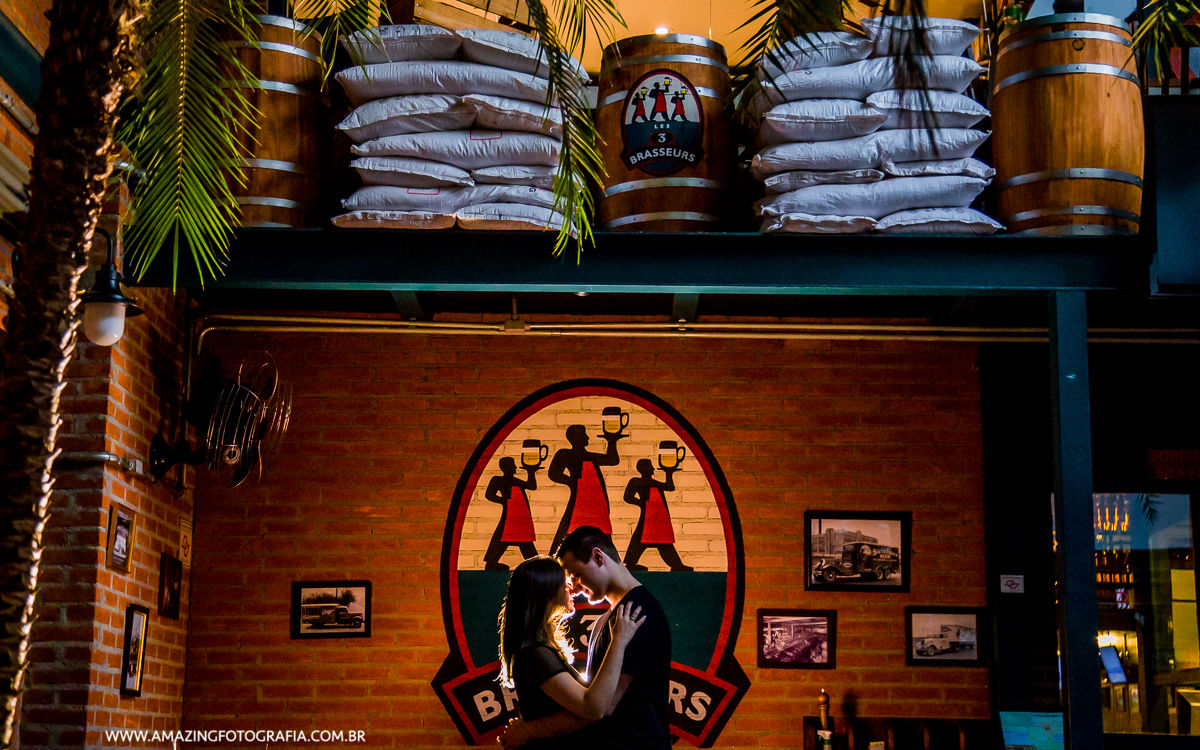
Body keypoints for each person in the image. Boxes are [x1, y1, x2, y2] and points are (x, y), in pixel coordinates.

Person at [500, 527, 672, 750]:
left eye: (576, 574)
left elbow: (603, 705)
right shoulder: (609, 620)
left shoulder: (635, 613)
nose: (574, 586)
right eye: (568, 579)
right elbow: (592, 700)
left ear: (598, 557)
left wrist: (528, 731)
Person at [622, 458, 692, 572]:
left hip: (659, 516)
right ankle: (631, 564)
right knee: (641, 539)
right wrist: (641, 503)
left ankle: (676, 565)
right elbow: (627, 497)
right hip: (649, 516)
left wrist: (669, 472)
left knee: (662, 542)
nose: (653, 469)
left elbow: (669, 487)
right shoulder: (637, 481)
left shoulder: (653, 482)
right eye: (650, 467)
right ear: (645, 469)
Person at [483, 457, 541, 570]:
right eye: (512, 465)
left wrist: (531, 471)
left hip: (521, 518)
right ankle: (492, 564)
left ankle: (538, 567)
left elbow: (531, 486)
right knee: (501, 538)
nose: (515, 467)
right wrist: (504, 500)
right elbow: (489, 494)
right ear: (506, 467)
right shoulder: (498, 480)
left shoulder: (515, 481)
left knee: (527, 546)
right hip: (509, 516)